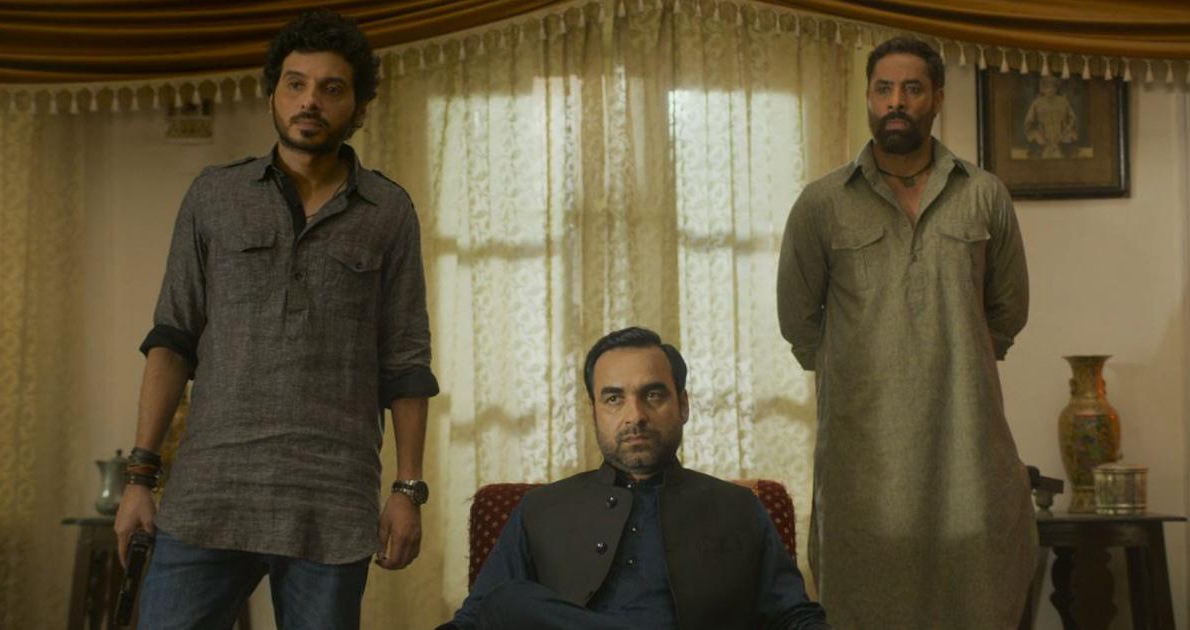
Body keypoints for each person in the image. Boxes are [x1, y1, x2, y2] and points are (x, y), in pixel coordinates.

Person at [113, 10, 439, 629]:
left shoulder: (388, 210)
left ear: (359, 108)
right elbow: (172, 339)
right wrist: (139, 477)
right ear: (273, 95)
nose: (310, 100)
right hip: (210, 492)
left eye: (331, 88)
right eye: (296, 84)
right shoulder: (214, 195)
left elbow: (405, 359)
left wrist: (407, 490)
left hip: (331, 501)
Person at [776, 37, 1035, 628]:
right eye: (884, 89)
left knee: (978, 600)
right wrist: (866, 371)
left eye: (912, 88)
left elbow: (1007, 313)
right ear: (868, 98)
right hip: (862, 465)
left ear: (937, 99)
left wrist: (954, 358)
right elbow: (799, 324)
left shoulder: (984, 194)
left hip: (967, 453)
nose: (897, 101)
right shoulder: (821, 204)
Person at [439, 327, 829, 630]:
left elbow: (792, 616)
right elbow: (476, 620)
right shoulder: (540, 509)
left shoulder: (739, 508)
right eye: (614, 399)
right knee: (505, 601)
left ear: (683, 405)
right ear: (593, 412)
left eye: (653, 395)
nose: (635, 416)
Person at [1024, 75, 1079, 159]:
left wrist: (1068, 130)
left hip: (1062, 135)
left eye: (1053, 87)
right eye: (1047, 87)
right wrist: (1036, 134)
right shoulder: (1037, 103)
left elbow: (1073, 118)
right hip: (1043, 136)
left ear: (1056, 88)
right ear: (1042, 89)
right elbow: (1028, 121)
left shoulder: (1063, 101)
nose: (1050, 90)